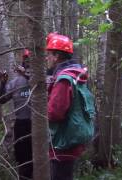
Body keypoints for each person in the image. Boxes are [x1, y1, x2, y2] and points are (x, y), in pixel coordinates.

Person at [46, 33, 95, 180]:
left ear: (56, 56)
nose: (46, 58)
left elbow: (54, 113)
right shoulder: (75, 74)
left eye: (48, 54)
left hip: (63, 141)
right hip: (72, 136)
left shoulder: (63, 80)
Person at [0, 49, 33, 180]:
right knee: (23, 160)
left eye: (30, 60)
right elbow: (1, 99)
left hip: (40, 125)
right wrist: (3, 83)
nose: (28, 63)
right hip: (21, 125)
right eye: (26, 60)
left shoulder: (44, 79)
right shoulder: (16, 82)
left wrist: (27, 75)